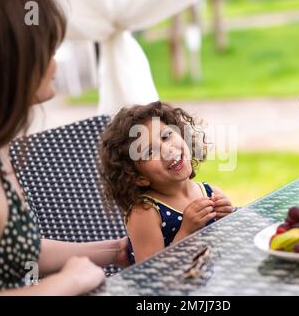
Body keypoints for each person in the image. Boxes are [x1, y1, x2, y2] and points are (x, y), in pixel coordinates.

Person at [0, 0, 128, 295]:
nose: (55, 64)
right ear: (12, 62)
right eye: (48, 50)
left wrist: (117, 250)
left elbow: (21, 248)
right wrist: (69, 280)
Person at [99, 101, 234, 264]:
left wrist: (228, 217)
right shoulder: (145, 213)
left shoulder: (210, 191)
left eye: (165, 136)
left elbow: (227, 246)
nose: (167, 149)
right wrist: (186, 232)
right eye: (150, 152)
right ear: (137, 177)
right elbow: (152, 275)